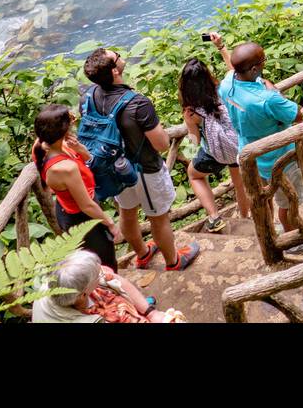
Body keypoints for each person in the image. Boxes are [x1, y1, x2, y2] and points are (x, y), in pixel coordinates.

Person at [81, 48, 199, 272]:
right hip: (144, 169)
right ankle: (173, 262)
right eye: (116, 54)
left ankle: (143, 254)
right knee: (158, 217)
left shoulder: (89, 97)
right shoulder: (137, 103)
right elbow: (162, 144)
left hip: (113, 167)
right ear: (115, 70)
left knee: (127, 212)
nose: (120, 54)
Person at [210, 35, 303, 260]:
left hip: (251, 154)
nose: (264, 64)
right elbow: (296, 114)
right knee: (288, 201)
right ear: (253, 69)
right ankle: (292, 239)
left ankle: (270, 230)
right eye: (262, 62)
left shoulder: (228, 83)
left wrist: (222, 48)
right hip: (279, 158)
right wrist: (272, 90)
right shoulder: (267, 99)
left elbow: (231, 68)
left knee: (264, 196)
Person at [32, 104, 120, 270]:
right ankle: (110, 294)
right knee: (104, 263)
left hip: (67, 208)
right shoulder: (64, 168)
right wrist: (110, 223)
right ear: (63, 130)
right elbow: (86, 205)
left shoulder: (41, 145)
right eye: (70, 121)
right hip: (82, 217)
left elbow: (86, 160)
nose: (74, 122)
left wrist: (80, 150)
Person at [179, 55, 249, 232]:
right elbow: (234, 71)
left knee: (194, 174)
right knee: (239, 183)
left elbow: (194, 141)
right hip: (239, 145)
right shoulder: (223, 90)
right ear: (208, 77)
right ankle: (245, 217)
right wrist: (221, 48)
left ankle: (214, 217)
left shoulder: (191, 112)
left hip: (216, 154)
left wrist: (189, 128)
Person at [33, 250, 182, 323]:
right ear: (84, 294)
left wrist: (150, 313)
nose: (103, 272)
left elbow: (113, 278)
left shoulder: (59, 279)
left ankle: (139, 310)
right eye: (97, 275)